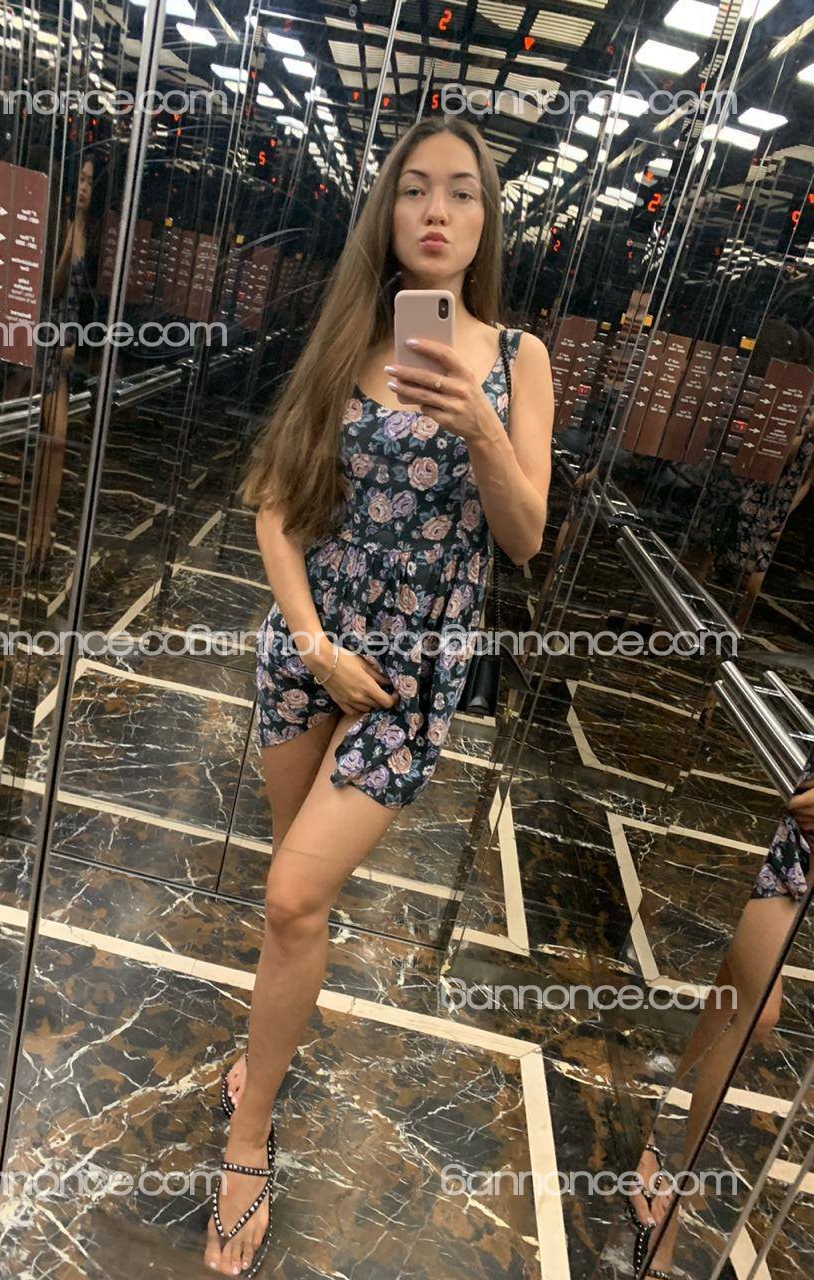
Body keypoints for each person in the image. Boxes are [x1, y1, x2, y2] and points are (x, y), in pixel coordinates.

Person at [202, 116, 554, 1275]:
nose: (437, 210)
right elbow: (272, 503)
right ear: (388, 212)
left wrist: (480, 420)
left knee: (295, 893)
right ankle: (268, 1041)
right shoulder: (350, 331)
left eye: (462, 192)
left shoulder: (520, 359)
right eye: (415, 190)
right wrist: (312, 646)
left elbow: (525, 536)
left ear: (488, 219)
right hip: (311, 649)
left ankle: (248, 1137)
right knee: (290, 901)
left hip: (409, 677)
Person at [629, 755, 814, 1279]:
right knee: (757, 1011)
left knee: (728, 999)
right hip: (783, 795)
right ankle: (668, 1193)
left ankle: (649, 1148)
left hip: (798, 827)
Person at [24, 154, 100, 569]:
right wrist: (69, 243)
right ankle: (35, 531)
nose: (85, 187)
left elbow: (87, 301)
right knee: (46, 440)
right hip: (41, 343)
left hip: (66, 350)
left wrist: (77, 343)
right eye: (80, 179)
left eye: (90, 181)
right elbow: (49, 290)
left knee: (56, 443)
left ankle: (44, 528)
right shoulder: (58, 224)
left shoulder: (92, 231)